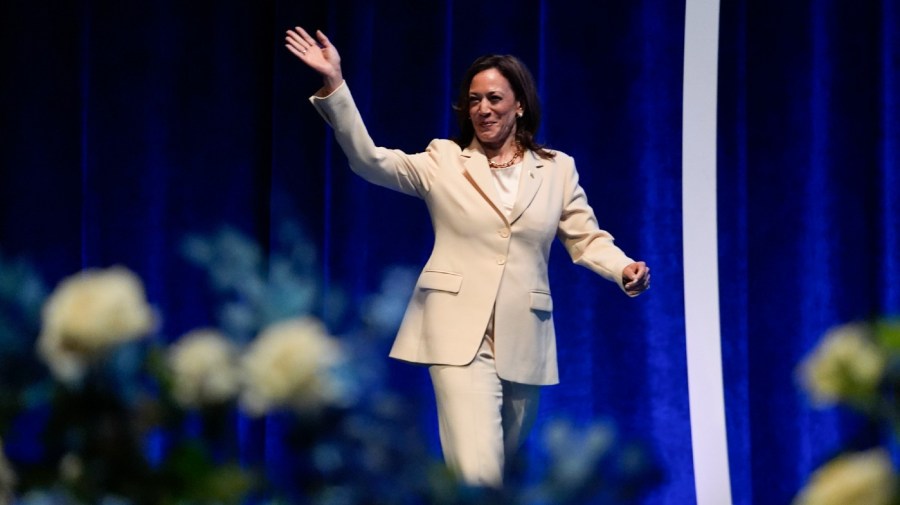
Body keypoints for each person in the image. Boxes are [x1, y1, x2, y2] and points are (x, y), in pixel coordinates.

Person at [285, 26, 650, 488]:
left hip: (524, 337)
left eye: (494, 98)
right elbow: (369, 160)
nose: (483, 109)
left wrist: (623, 269)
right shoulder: (443, 161)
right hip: (458, 336)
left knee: (499, 479)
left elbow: (586, 238)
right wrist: (335, 85)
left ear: (520, 104)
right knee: (480, 474)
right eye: (474, 100)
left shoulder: (557, 168)